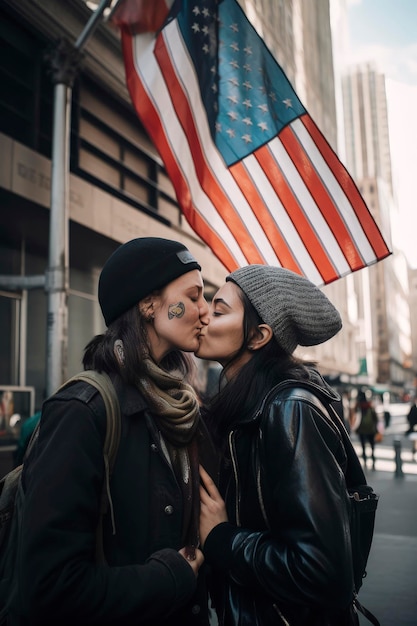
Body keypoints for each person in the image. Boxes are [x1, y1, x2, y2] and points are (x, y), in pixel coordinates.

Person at [15, 237, 214, 626]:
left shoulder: (179, 407)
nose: (205, 312)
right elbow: (49, 586)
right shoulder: (82, 413)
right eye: (193, 297)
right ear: (148, 303)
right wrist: (169, 578)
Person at [195, 265, 358, 626]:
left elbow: (323, 572)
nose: (204, 313)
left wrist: (222, 539)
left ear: (258, 336)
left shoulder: (289, 410)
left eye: (219, 310)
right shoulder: (245, 408)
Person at [355, 391, 378, 470]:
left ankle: (364, 459)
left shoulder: (358, 406)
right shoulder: (370, 405)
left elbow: (354, 418)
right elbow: (375, 418)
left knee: (363, 446)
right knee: (372, 445)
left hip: (361, 430)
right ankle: (373, 459)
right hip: (371, 429)